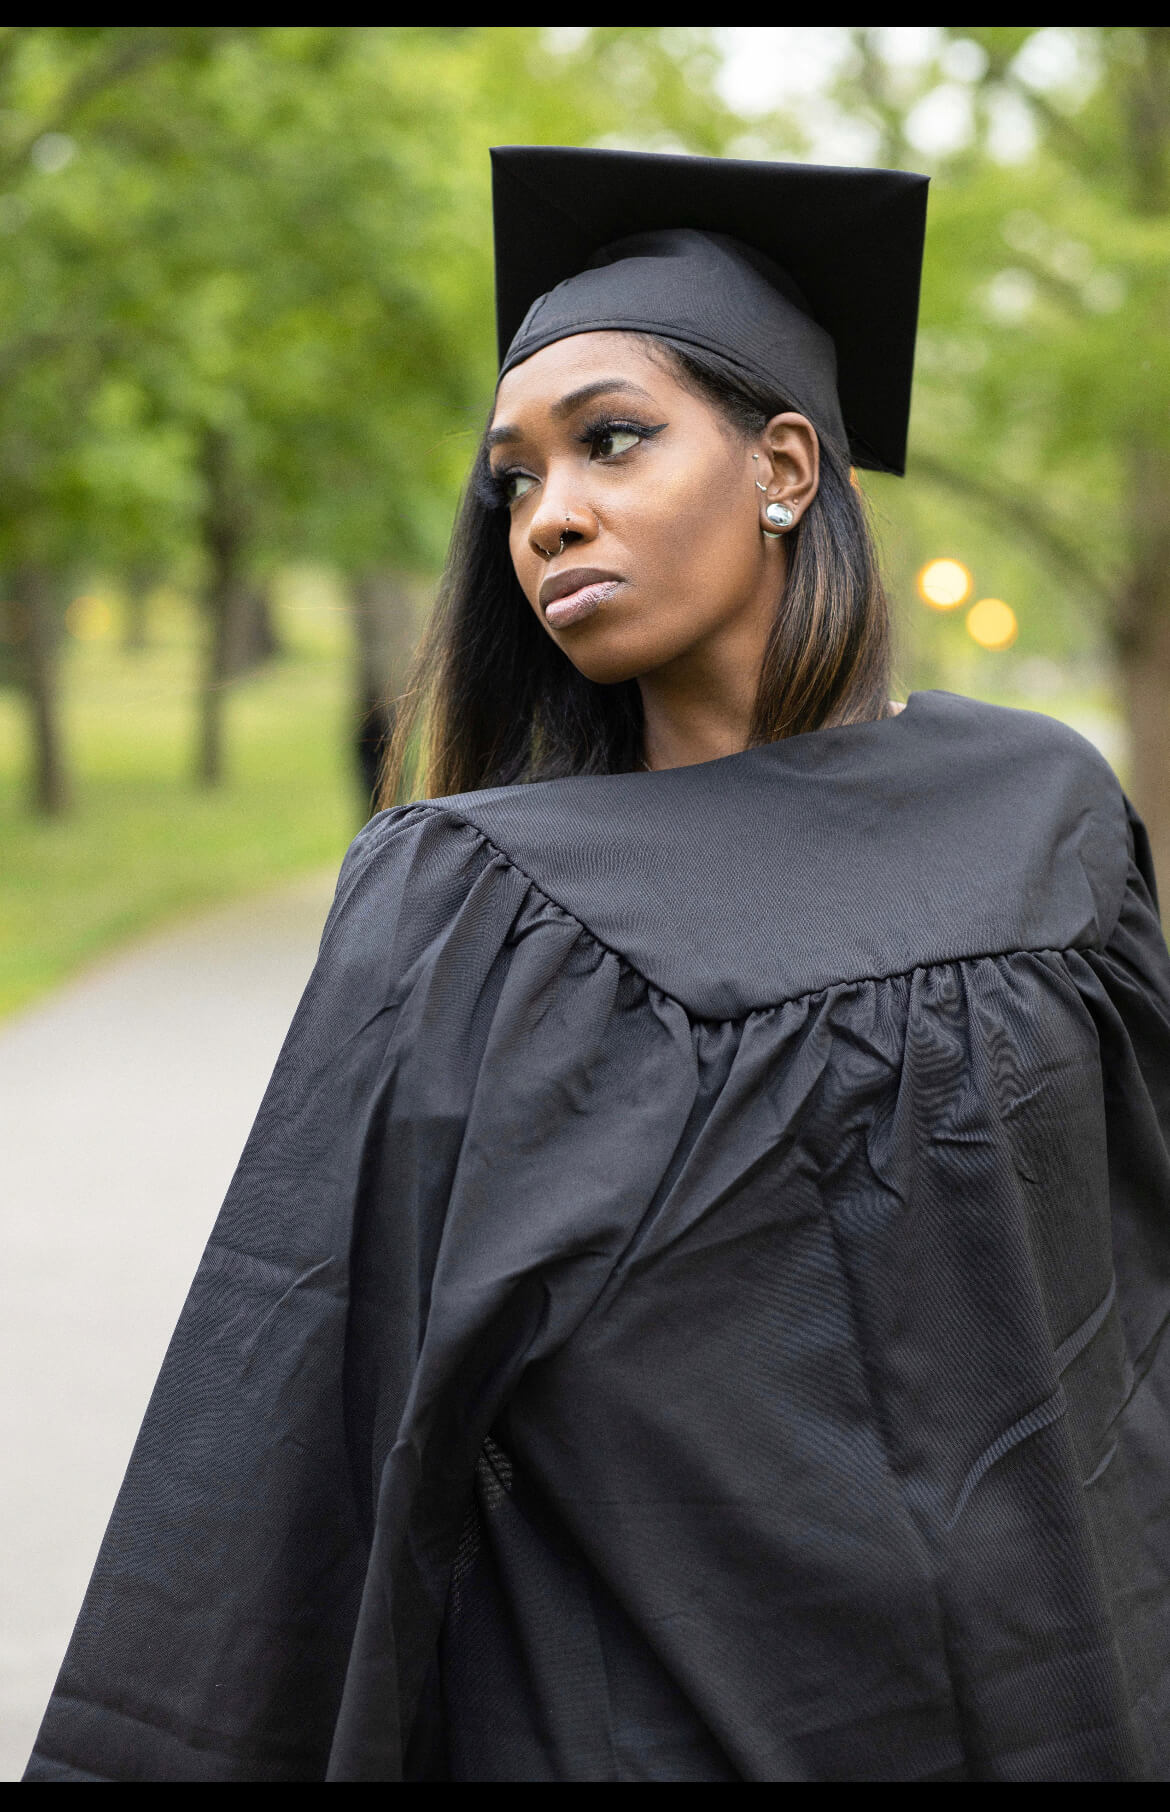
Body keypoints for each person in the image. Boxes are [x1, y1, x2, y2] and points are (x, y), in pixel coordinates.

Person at [25, 146, 1170, 1783]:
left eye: (611, 440)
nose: (547, 510)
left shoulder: (1040, 819)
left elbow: (1129, 1297)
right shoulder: (477, 907)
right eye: (513, 479)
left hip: (1063, 1709)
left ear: (785, 464)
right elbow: (291, 1410)